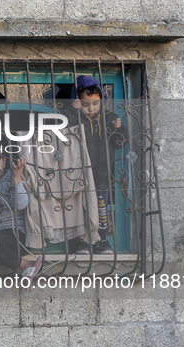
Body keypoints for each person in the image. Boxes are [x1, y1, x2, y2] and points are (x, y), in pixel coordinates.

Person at [65, 75, 127, 254]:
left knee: (101, 206)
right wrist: (72, 111)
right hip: (78, 171)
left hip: (101, 171)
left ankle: (102, 240)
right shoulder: (73, 115)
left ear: (101, 100)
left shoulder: (109, 118)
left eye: (95, 104)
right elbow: (63, 132)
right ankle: (82, 241)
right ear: (77, 102)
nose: (91, 109)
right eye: (85, 105)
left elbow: (119, 143)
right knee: (79, 207)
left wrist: (119, 129)